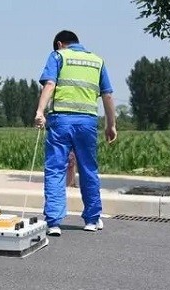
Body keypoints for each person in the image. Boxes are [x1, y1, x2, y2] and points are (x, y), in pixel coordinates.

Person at [34, 30, 117, 236]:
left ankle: (53, 222)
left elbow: (50, 84)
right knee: (88, 169)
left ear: (60, 43)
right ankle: (92, 219)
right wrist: (111, 124)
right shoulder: (97, 61)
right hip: (87, 122)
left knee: (55, 169)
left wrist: (39, 111)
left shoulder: (58, 56)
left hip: (61, 120)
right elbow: (107, 95)